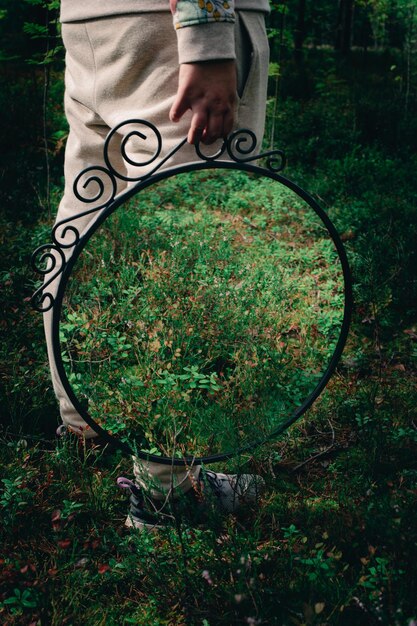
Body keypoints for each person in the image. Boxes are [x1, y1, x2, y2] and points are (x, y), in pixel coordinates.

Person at [48, 0, 270, 529]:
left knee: (88, 226)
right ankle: (167, 489)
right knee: (189, 245)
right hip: (172, 29)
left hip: (92, 23)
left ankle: (86, 421)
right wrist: (208, 37)